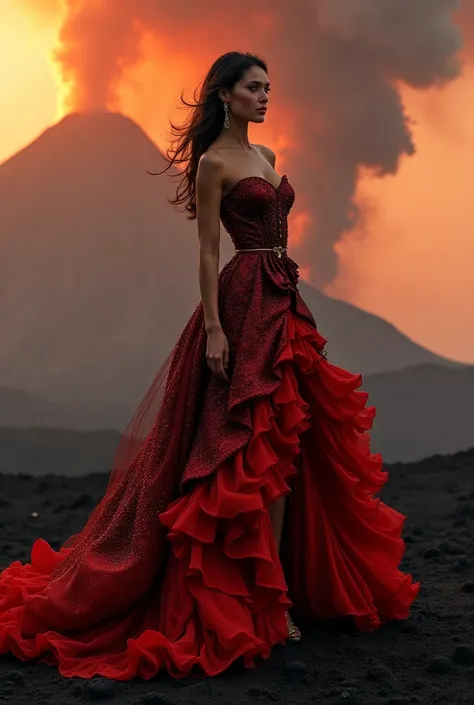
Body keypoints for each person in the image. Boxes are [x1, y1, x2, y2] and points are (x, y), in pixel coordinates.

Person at [0, 51, 419, 681]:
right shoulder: (215, 163)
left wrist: (290, 311)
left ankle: (276, 597)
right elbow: (206, 253)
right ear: (226, 95)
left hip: (282, 300)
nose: (266, 96)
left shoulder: (268, 158)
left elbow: (278, 235)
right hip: (242, 300)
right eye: (255, 87)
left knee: (284, 448)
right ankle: (262, 607)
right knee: (246, 448)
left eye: (270, 87)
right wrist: (217, 329)